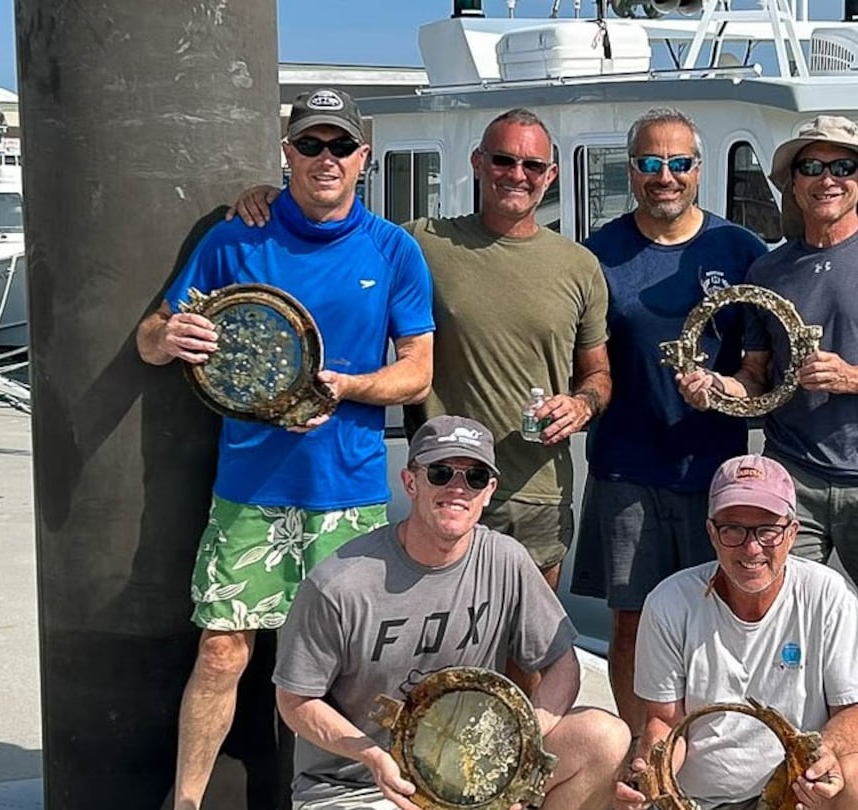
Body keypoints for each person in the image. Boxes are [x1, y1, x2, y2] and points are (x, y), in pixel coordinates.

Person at [136, 87, 436, 810]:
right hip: (250, 487)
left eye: (339, 146)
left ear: (364, 158)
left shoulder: (394, 249)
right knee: (220, 651)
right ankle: (185, 803)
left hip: (350, 491)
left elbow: (419, 368)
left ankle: (364, 798)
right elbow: (153, 336)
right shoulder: (235, 237)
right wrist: (165, 338)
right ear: (287, 153)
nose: (324, 159)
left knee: (361, 669)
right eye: (310, 145)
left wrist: (350, 388)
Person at [231, 108, 610, 590]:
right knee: (437, 642)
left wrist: (581, 404)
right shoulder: (419, 242)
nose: (517, 175)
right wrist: (269, 200)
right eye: (503, 160)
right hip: (445, 485)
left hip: (535, 493)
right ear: (477, 162)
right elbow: (339, 224)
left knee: (529, 652)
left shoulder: (579, 265)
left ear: (551, 174)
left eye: (533, 166)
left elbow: (597, 374)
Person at [274, 415, 630, 810]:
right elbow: (295, 701)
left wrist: (514, 747)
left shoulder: (505, 560)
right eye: (441, 473)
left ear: (490, 490)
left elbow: (561, 665)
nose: (458, 488)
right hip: (361, 785)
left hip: (467, 766)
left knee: (603, 737)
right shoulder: (340, 584)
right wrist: (371, 756)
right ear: (411, 482)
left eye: (475, 478)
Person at [679, 114, 858, 606]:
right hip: (793, 479)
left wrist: (855, 377)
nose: (827, 179)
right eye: (811, 166)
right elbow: (756, 378)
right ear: (793, 182)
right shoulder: (767, 270)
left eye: (843, 167)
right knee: (782, 616)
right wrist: (715, 389)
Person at [569, 107, 767, 737]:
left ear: (698, 170)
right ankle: (640, 758)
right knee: (633, 619)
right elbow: (582, 362)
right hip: (625, 468)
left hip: (716, 473)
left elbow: (760, 373)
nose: (665, 176)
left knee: (724, 617)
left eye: (679, 163)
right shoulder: (598, 252)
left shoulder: (739, 250)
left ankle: (714, 753)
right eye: (650, 164)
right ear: (630, 170)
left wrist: (724, 389)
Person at [615, 455, 858, 810]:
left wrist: (825, 753)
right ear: (712, 532)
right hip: (700, 800)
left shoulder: (827, 593)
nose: (752, 547)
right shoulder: (669, 601)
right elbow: (665, 721)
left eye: (767, 530)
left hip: (798, 793)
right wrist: (651, 777)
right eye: (733, 529)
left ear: (792, 533)